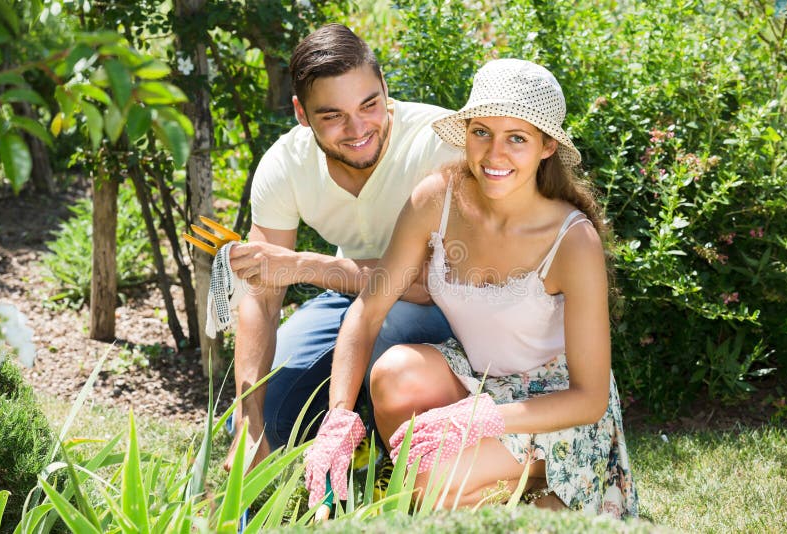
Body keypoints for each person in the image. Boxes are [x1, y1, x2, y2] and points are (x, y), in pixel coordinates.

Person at [304, 59, 639, 517]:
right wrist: (338, 418)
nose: (493, 154)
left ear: (546, 147)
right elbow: (368, 309)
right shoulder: (436, 198)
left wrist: (479, 418)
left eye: (516, 138)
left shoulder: (572, 239)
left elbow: (589, 398)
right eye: (481, 132)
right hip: (480, 380)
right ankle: (471, 494)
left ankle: (549, 502)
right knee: (394, 372)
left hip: (555, 407)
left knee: (426, 477)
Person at [223, 23, 461, 472]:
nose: (358, 129)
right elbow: (261, 291)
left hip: (445, 304)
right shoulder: (284, 164)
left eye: (370, 104)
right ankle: (326, 445)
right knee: (267, 407)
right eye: (332, 115)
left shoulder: (438, 141)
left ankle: (380, 452)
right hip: (349, 293)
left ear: (385, 87)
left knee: (392, 322)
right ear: (301, 112)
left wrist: (303, 265)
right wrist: (247, 418)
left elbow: (430, 284)